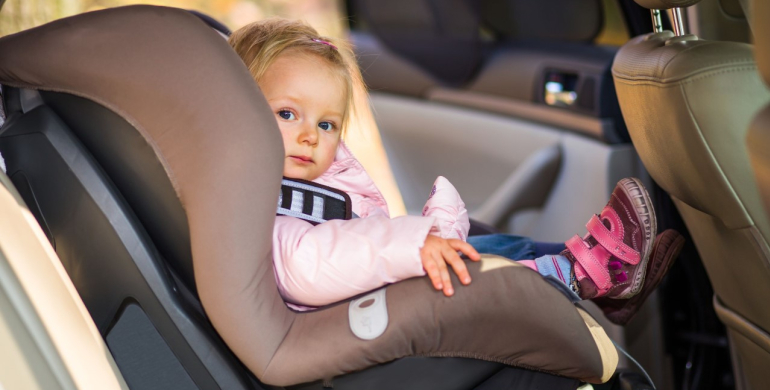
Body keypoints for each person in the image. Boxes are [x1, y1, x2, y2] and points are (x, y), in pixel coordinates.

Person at [227, 18, 683, 324]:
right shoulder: (263, 210)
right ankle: (584, 273)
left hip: (376, 281)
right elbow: (311, 263)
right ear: (237, 112)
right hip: (370, 312)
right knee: (483, 272)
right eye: (287, 114)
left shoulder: (290, 187)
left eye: (327, 124)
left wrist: (413, 240)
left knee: (489, 244)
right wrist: (412, 243)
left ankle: (598, 272)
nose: (311, 136)